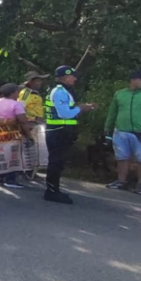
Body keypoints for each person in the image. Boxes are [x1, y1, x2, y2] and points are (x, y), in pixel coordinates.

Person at [44, 65, 98, 204]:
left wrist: (82, 108)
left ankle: (54, 189)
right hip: (58, 131)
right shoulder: (60, 92)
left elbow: (68, 110)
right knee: (56, 162)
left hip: (61, 131)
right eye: (72, 76)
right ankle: (51, 191)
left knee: (58, 162)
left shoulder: (63, 91)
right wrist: (80, 108)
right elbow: (65, 114)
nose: (75, 79)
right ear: (64, 77)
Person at [104, 70, 141, 195]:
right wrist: (108, 126)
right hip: (121, 130)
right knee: (122, 157)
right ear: (133, 80)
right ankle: (121, 181)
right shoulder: (120, 94)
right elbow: (113, 111)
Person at [0, 83, 31, 188]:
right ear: (13, 93)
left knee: (3, 154)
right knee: (14, 156)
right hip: (13, 132)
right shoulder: (16, 105)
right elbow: (23, 121)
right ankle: (10, 179)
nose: (18, 94)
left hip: (0, 131)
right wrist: (29, 134)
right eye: (17, 92)